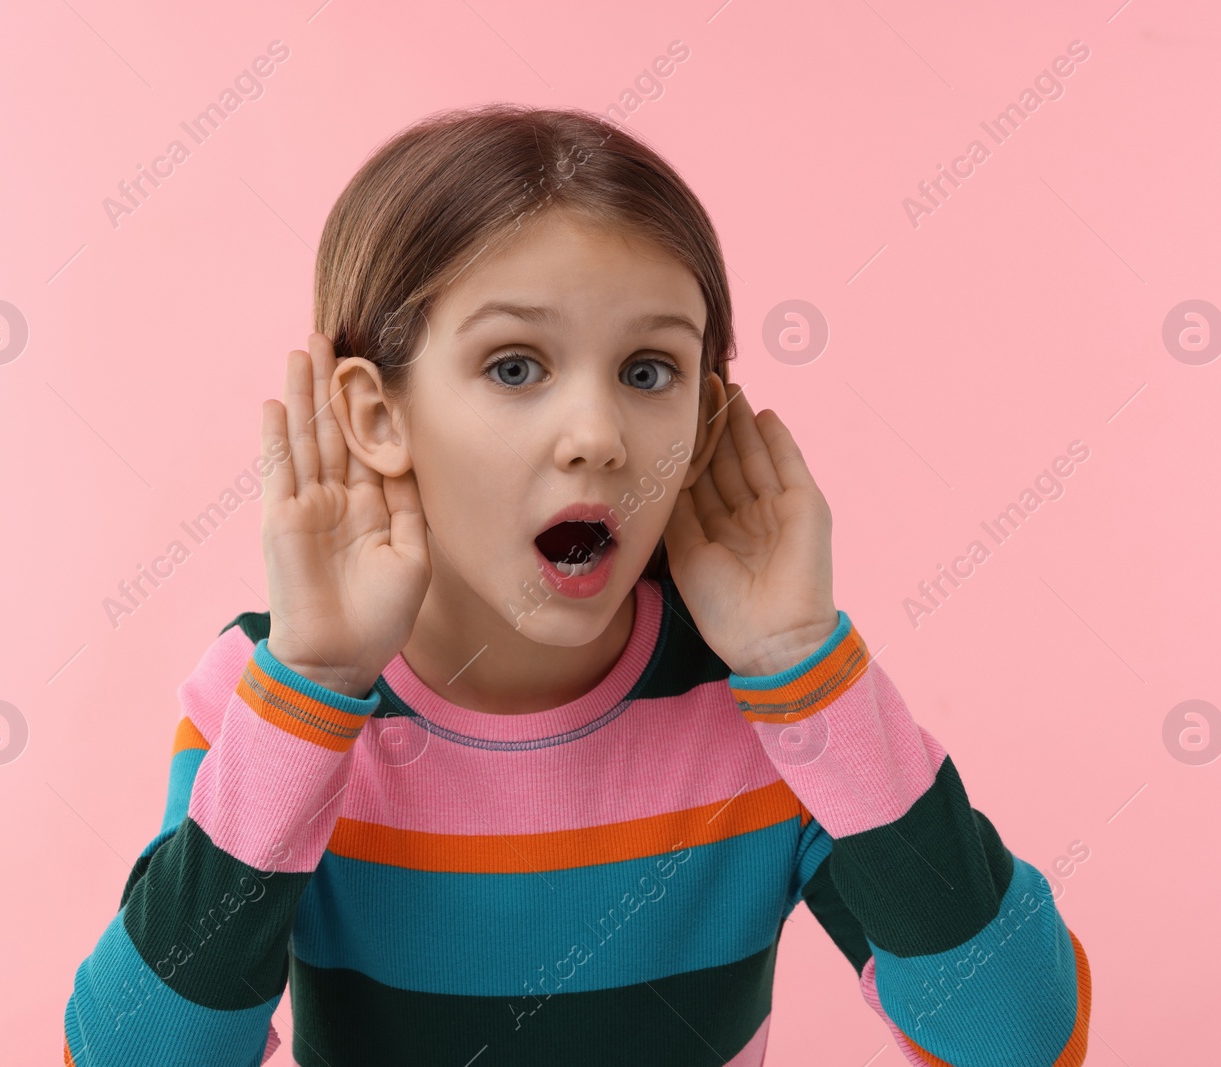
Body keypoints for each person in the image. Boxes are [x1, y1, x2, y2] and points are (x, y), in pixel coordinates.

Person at [61, 103, 1090, 1066]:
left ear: (704, 422)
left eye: (649, 372)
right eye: (514, 366)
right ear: (376, 416)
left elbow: (1019, 1033)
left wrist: (801, 667)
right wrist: (314, 686)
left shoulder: (769, 707)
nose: (598, 437)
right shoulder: (268, 690)